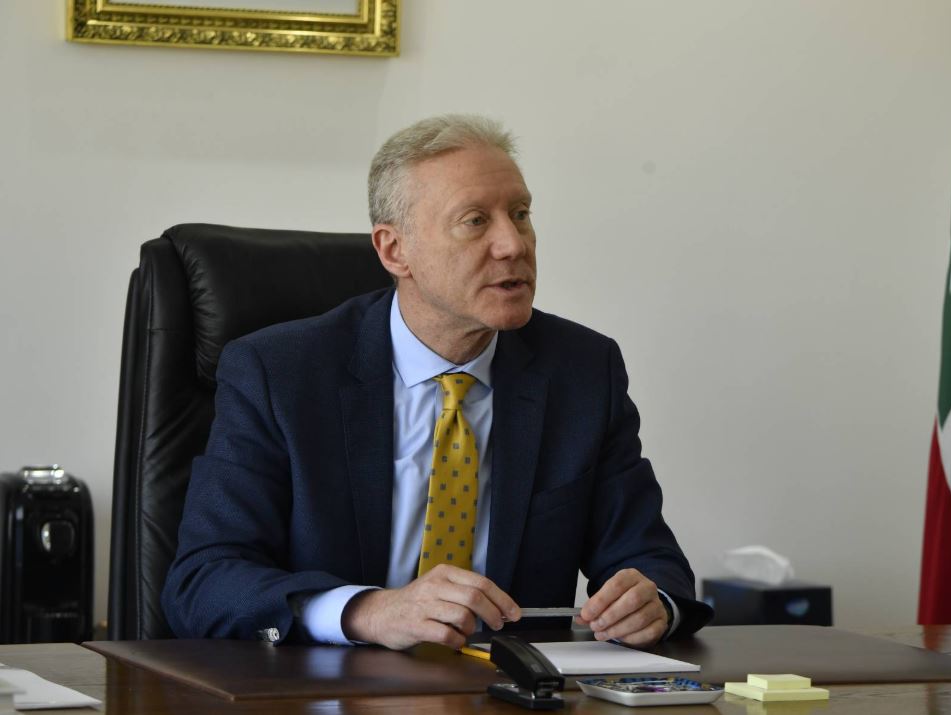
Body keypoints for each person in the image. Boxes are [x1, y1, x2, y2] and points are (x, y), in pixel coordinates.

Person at [161, 114, 712, 650]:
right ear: (394, 250)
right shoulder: (278, 373)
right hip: (327, 686)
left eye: (520, 214)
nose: (513, 244)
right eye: (475, 221)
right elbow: (203, 582)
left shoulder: (582, 370)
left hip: (505, 687)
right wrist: (368, 611)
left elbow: (651, 558)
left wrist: (654, 603)